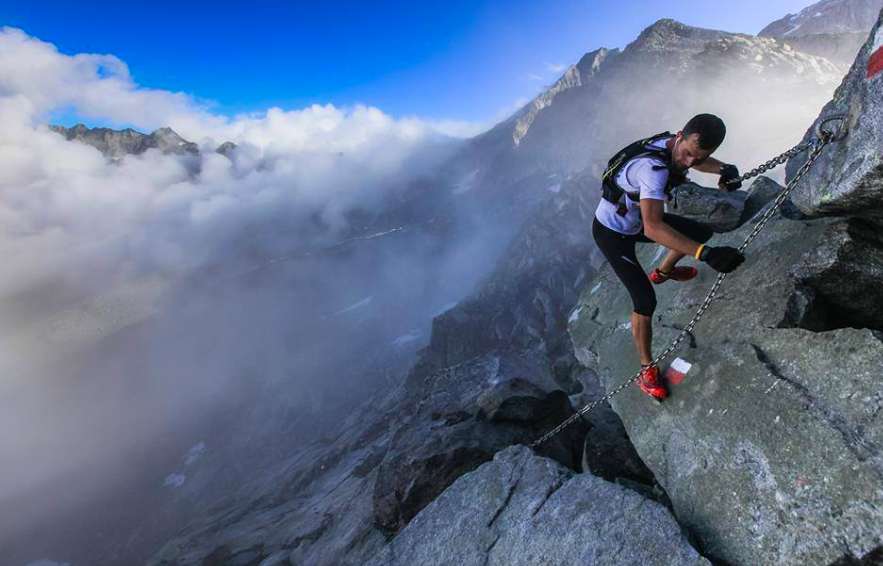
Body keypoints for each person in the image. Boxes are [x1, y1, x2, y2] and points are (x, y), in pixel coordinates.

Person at [591, 113, 746, 401]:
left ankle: (663, 272)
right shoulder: (652, 169)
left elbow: (693, 157)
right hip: (613, 233)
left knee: (700, 232)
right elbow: (653, 228)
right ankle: (646, 371)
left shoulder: (670, 145)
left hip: (633, 221)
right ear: (679, 136)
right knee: (644, 301)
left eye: (697, 159)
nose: (689, 163)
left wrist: (723, 169)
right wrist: (706, 256)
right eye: (687, 154)